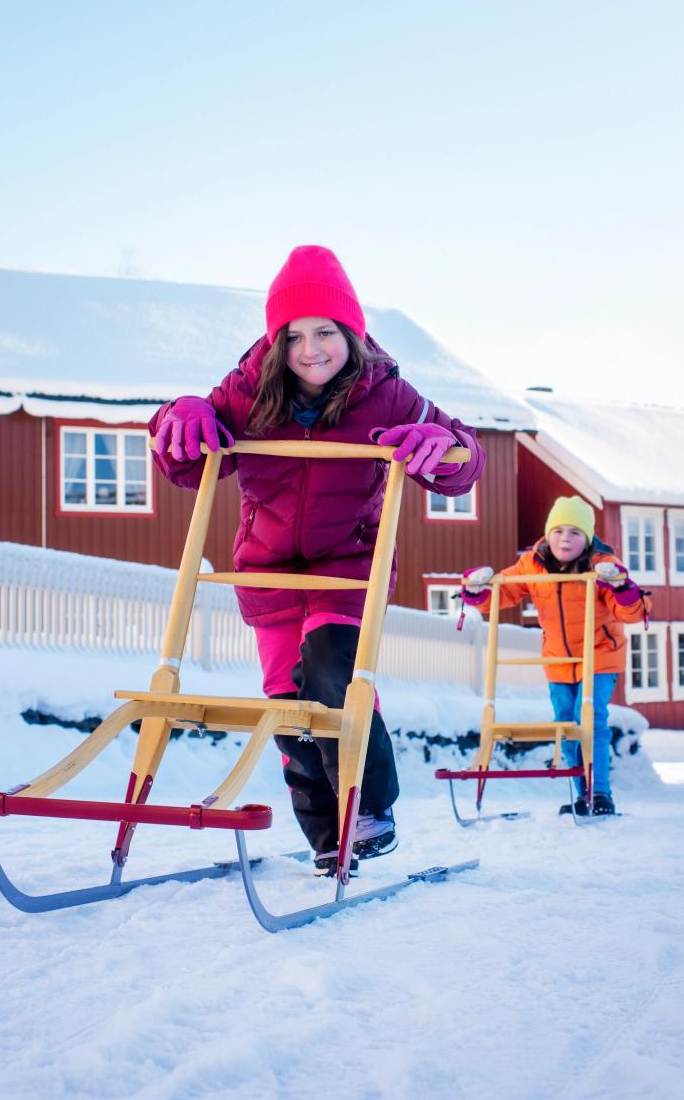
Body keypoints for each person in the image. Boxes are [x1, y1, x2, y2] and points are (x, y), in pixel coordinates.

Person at [150, 245, 485, 873]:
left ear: (351, 335)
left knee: (332, 676)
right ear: (276, 342)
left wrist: (442, 444)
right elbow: (183, 463)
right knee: (287, 704)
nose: (311, 349)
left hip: (347, 570)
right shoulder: (246, 391)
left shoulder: (387, 394)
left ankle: (371, 809)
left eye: (326, 332)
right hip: (269, 572)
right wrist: (178, 413)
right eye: (295, 335)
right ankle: (326, 834)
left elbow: (463, 460)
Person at [462, 496, 647, 815]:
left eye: (574, 532)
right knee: (565, 724)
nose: (565, 538)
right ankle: (581, 793)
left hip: (599, 656)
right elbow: (505, 592)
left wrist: (621, 586)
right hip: (558, 660)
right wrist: (478, 591)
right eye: (558, 530)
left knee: (588, 719)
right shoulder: (532, 563)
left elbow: (630, 612)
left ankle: (600, 792)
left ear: (587, 539)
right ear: (548, 534)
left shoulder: (601, 567)